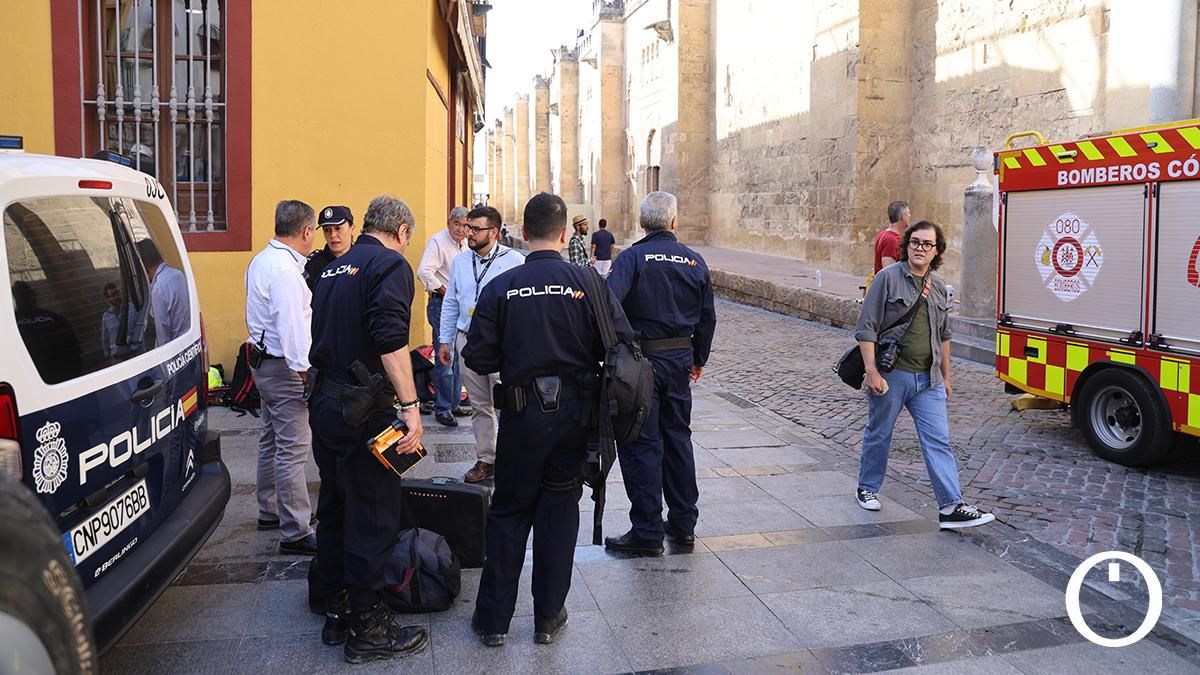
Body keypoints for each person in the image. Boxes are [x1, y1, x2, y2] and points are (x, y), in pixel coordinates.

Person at [464, 192, 634, 647]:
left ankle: (494, 620)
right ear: (563, 233)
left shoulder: (501, 285)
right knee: (559, 513)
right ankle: (547, 617)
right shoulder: (589, 284)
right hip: (574, 418)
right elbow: (620, 344)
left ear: (522, 231)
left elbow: (477, 356)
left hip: (521, 418)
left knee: (510, 511)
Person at [308, 195, 428, 663]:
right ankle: (369, 628)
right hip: (366, 413)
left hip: (328, 405)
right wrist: (412, 405)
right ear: (400, 231)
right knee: (372, 516)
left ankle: (337, 611)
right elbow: (390, 340)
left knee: (335, 508)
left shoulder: (335, 267)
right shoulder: (389, 265)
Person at [856, 220, 995, 530]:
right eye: (915, 242)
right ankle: (867, 488)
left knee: (938, 441)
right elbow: (867, 327)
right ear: (906, 246)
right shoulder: (887, 279)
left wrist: (946, 377)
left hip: (928, 379)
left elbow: (944, 335)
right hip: (893, 376)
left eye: (927, 244)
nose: (920, 248)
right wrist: (871, 371)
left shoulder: (939, 286)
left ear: (937, 251)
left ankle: (950, 506)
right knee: (880, 433)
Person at [604, 192, 716, 556]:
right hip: (679, 361)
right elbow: (707, 316)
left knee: (641, 444)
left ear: (642, 223)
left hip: (641, 364)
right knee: (678, 441)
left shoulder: (633, 258)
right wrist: (698, 357)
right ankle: (683, 524)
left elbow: (609, 305)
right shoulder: (695, 262)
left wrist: (616, 349)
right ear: (673, 222)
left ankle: (648, 531)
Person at [244, 199, 319, 555]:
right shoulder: (286, 273)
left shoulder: (262, 260)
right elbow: (292, 329)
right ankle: (296, 529)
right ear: (306, 231)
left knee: (271, 439)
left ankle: (269, 510)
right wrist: (304, 371)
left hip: (263, 363)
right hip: (284, 366)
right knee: (293, 445)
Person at [438, 205, 523, 484]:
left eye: (475, 228)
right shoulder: (462, 262)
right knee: (479, 406)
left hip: (500, 344)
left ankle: (511, 458)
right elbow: (451, 302)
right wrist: (444, 340)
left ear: (494, 232)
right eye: (466, 227)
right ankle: (487, 459)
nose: (468, 233)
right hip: (468, 340)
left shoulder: (514, 262)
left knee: (506, 404)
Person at [418, 206, 470, 426]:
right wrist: (444, 291)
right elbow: (424, 272)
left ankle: (454, 403)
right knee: (445, 357)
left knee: (458, 356)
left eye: (465, 225)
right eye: (456, 224)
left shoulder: (466, 245)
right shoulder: (438, 242)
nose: (460, 229)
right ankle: (442, 408)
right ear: (449, 222)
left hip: (459, 305)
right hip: (442, 304)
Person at [136, 237, 189, 346]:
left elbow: (163, 336)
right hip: (188, 343)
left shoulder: (158, 290)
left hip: (174, 350)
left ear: (144, 268)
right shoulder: (179, 274)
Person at [304, 205, 356, 292]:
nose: (332, 235)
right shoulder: (312, 266)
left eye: (338, 228)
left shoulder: (363, 260)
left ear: (352, 228)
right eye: (327, 230)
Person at [100, 282, 147, 363]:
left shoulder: (131, 308)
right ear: (108, 299)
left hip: (136, 356)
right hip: (118, 360)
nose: (117, 297)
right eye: (113, 295)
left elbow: (139, 330)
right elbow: (105, 338)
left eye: (117, 293)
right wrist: (107, 357)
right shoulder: (106, 317)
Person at [874, 201, 910, 274]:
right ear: (902, 217)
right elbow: (889, 272)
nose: (910, 215)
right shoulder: (891, 240)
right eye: (908, 213)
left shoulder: (883, 234)